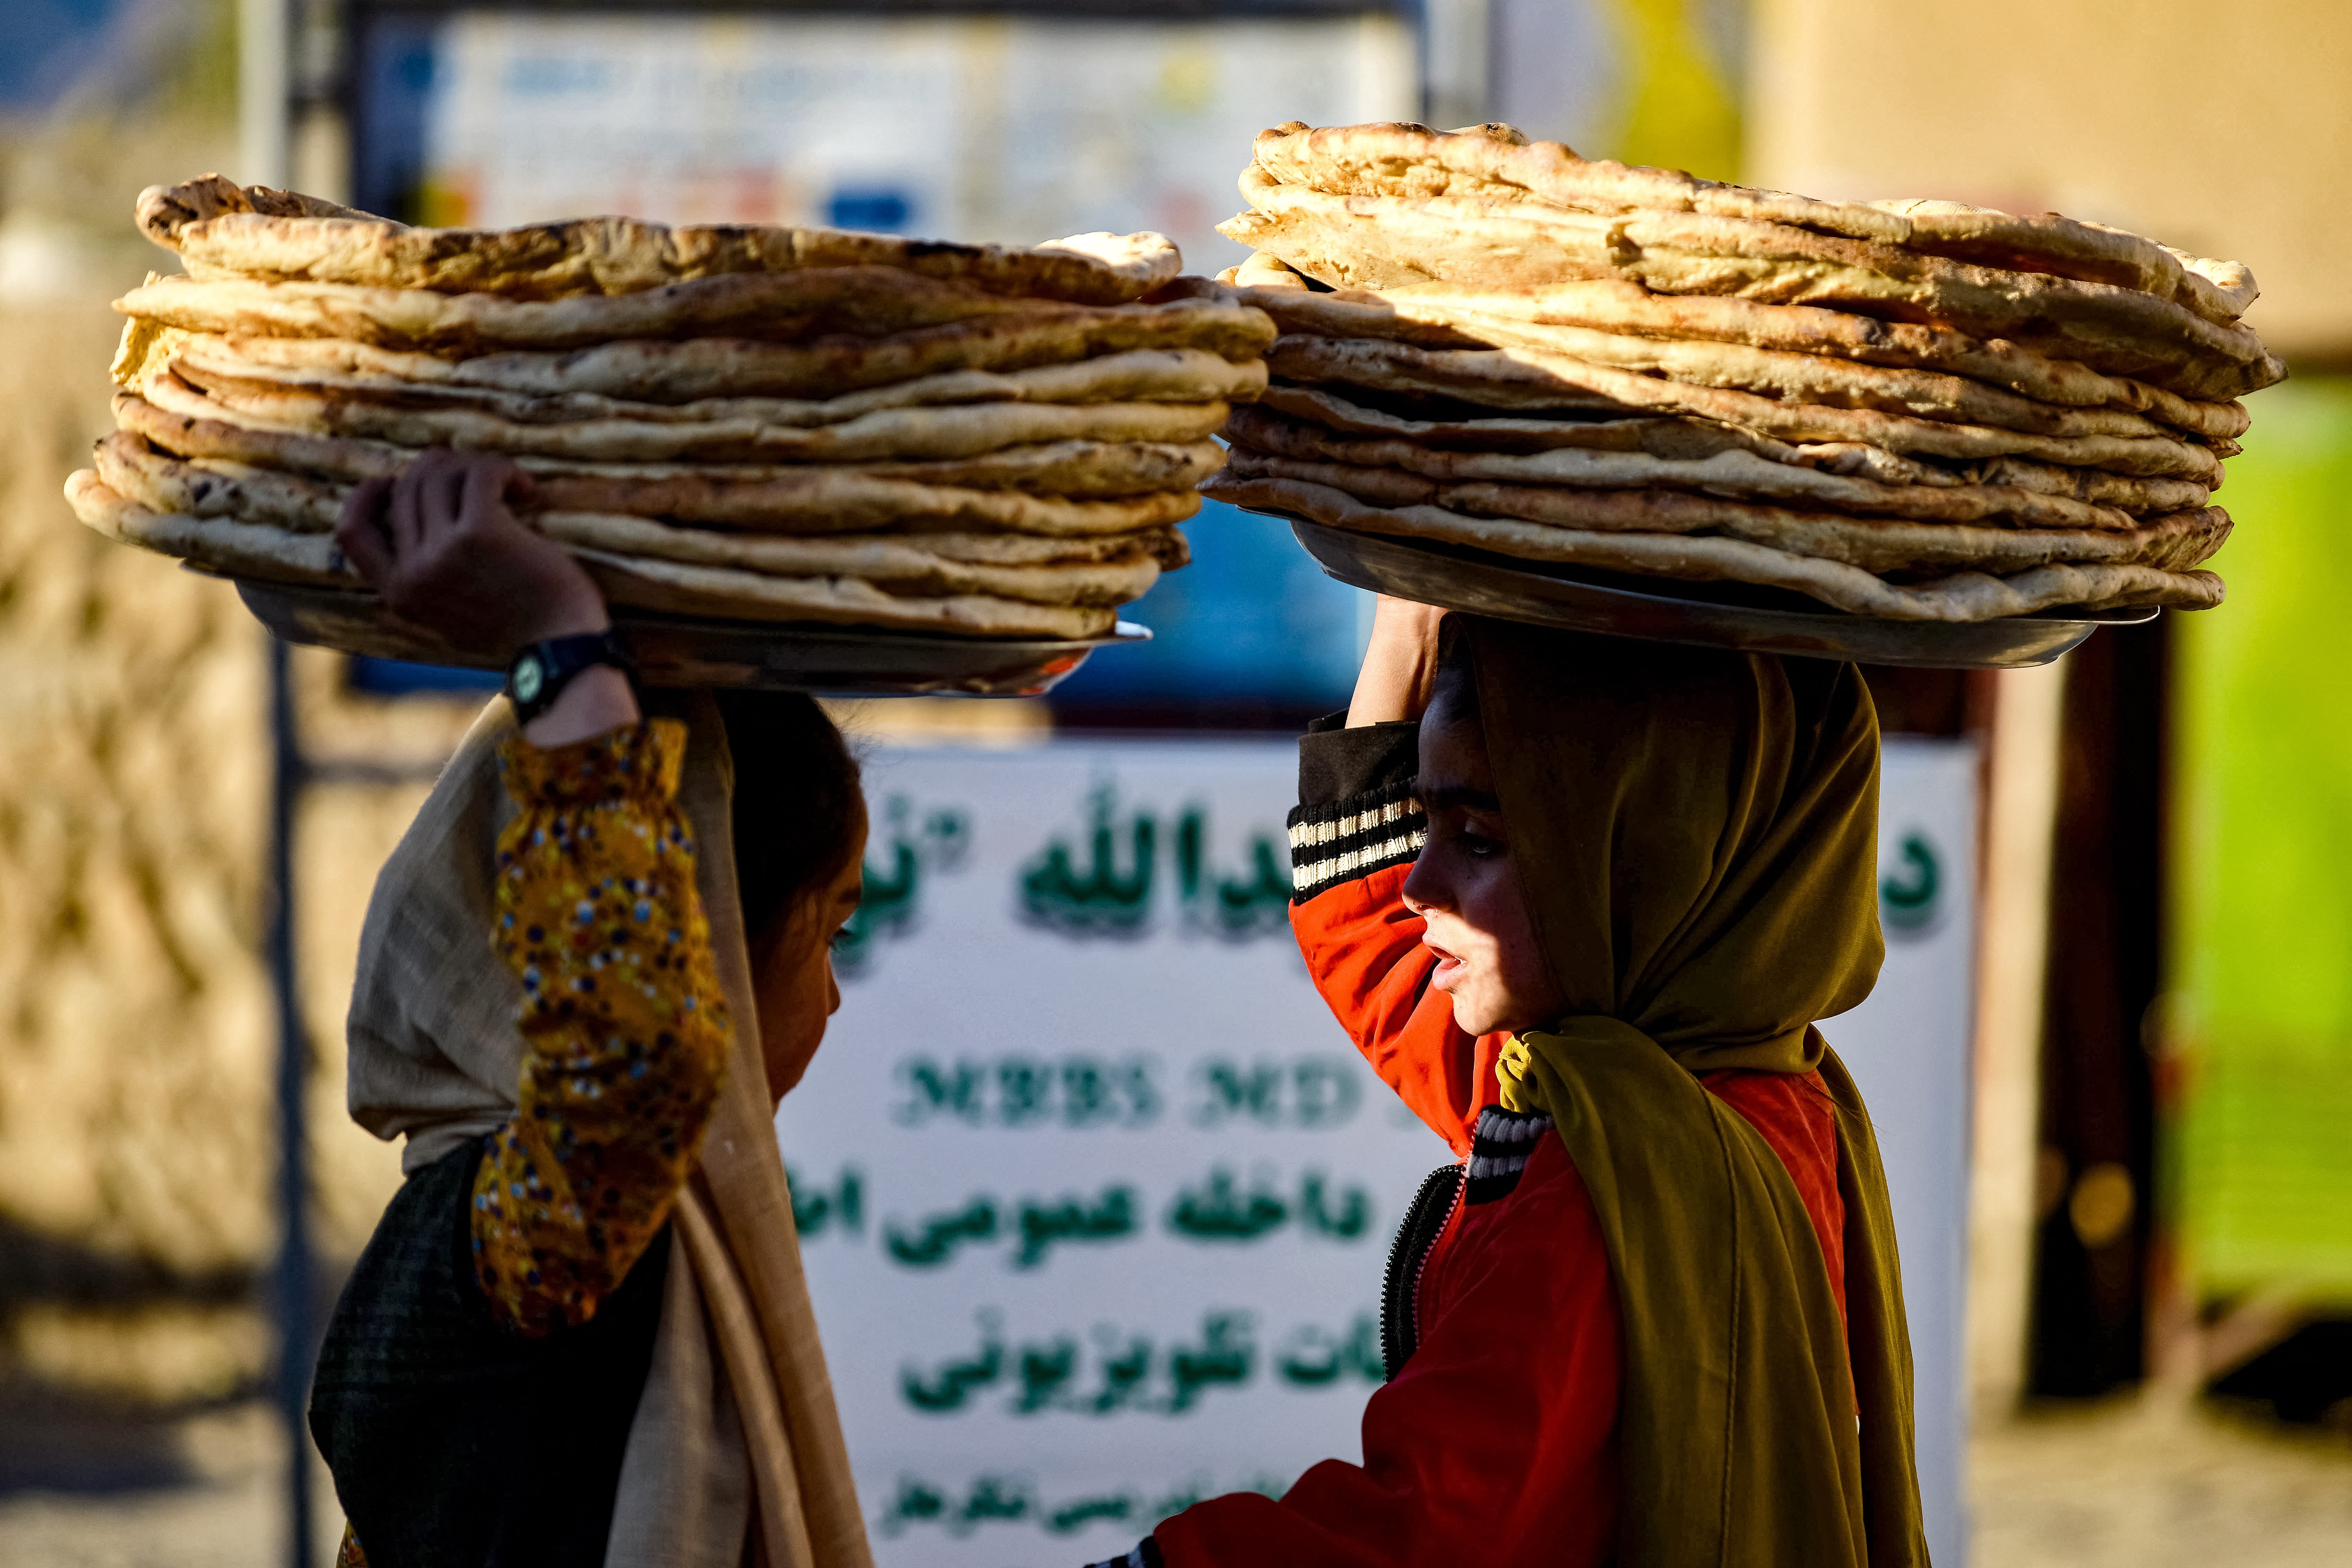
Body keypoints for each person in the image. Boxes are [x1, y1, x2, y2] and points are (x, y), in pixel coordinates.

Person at [1093, 599, 1927, 1568]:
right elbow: (1382, 956)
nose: (1418, 888)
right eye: (1428, 827)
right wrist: (1407, 631)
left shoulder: (1615, 1179)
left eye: (1478, 839)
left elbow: (1426, 1535)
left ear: (1638, 855)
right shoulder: (1748, 1088)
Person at [307, 451, 877, 1568]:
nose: (837, 994)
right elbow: (632, 1073)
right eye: (833, 928)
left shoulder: (507, 1220)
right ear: (701, 941)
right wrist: (558, 642)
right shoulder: (524, 1240)